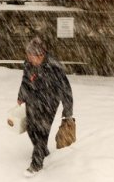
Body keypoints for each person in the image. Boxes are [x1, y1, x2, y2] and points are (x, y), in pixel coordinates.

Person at [17, 37, 74, 177]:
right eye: (28, 55)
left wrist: (67, 112)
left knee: (42, 131)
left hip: (49, 102)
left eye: (32, 55)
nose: (29, 58)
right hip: (33, 100)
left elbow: (66, 90)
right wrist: (21, 96)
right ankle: (42, 150)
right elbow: (25, 81)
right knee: (31, 128)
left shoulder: (54, 67)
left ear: (41, 55)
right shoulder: (29, 64)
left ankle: (36, 164)